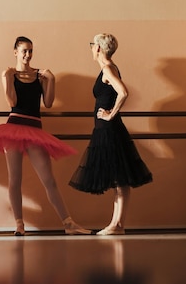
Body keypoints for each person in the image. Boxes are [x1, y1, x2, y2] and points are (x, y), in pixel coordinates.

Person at [0, 36, 91, 236]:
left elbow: (49, 103)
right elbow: (12, 101)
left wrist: (52, 80)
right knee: (14, 179)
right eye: (24, 51)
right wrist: (7, 78)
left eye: (30, 51)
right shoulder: (9, 74)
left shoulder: (40, 76)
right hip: (14, 128)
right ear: (15, 52)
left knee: (49, 180)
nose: (28, 55)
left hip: (35, 129)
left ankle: (68, 224)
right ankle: (19, 225)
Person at [69, 34, 153, 235]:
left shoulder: (107, 69)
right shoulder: (109, 68)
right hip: (105, 130)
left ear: (98, 48)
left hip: (110, 129)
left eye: (92, 45)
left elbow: (123, 92)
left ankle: (117, 224)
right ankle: (116, 224)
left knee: (120, 178)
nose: (91, 49)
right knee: (118, 177)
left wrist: (110, 115)